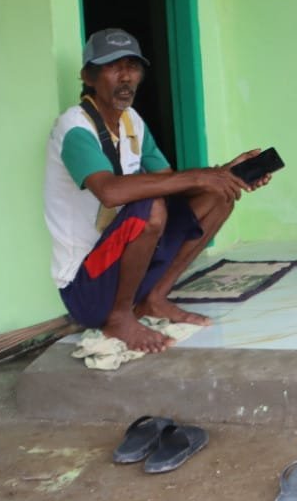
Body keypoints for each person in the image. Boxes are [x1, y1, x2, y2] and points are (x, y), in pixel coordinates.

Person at [43, 29, 271, 353]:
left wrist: (224, 175)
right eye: (113, 67)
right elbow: (109, 192)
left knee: (218, 196)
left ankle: (154, 298)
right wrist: (202, 176)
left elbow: (173, 184)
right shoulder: (75, 127)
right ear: (88, 76)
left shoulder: (132, 121)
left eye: (132, 67)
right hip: (88, 288)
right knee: (150, 207)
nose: (126, 77)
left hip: (128, 271)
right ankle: (119, 318)